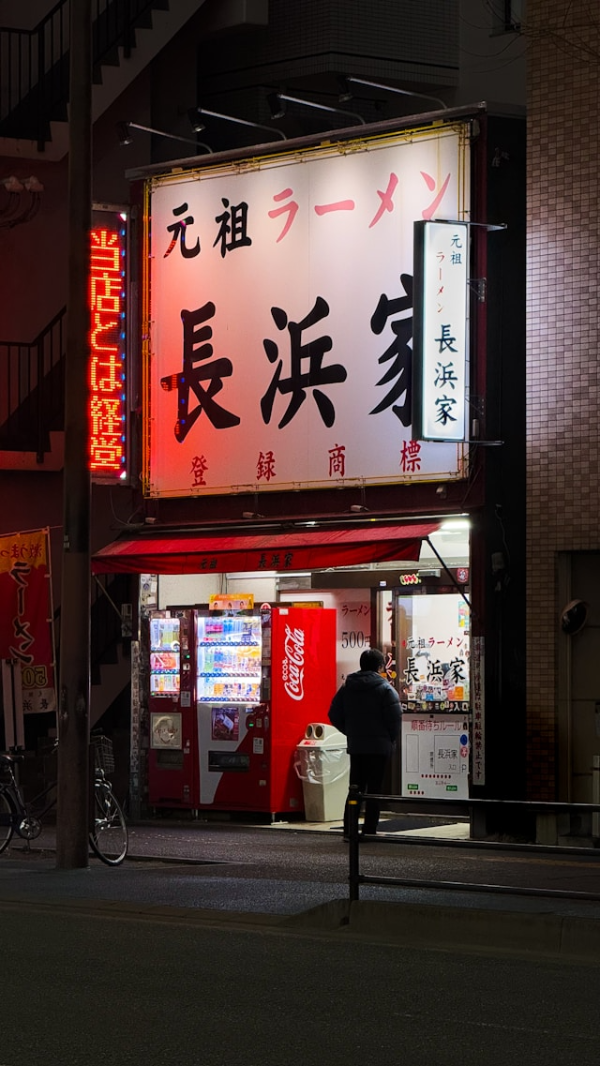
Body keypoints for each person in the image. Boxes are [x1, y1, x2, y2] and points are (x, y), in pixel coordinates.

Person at [328, 647, 401, 839]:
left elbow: (333, 714)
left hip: (357, 746)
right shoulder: (385, 689)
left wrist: (351, 732)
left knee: (355, 788)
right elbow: (395, 719)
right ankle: (370, 829)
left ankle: (349, 830)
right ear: (380, 666)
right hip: (379, 747)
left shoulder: (348, 686)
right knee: (374, 790)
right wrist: (390, 738)